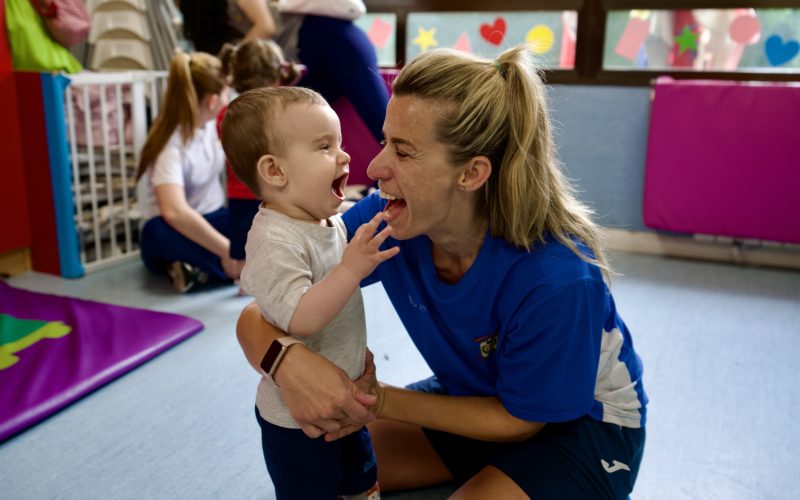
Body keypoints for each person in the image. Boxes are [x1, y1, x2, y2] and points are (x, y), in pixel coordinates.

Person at [236, 45, 648, 499]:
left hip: (580, 427)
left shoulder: (558, 277)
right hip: (473, 394)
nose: (373, 168)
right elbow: (263, 311)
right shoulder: (389, 220)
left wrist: (382, 399)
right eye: (383, 142)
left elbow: (522, 420)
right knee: (329, 463)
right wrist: (287, 363)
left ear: (471, 173)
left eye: (404, 151)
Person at [220, 86, 399, 499]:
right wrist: (352, 268)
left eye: (338, 143)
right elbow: (299, 317)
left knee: (362, 482)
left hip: (348, 401)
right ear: (275, 171)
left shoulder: (326, 221)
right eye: (324, 146)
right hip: (297, 424)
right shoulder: (274, 241)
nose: (345, 156)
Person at [179, 0, 389, 146]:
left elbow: (266, 26)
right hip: (316, 56)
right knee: (291, 121)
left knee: (383, 125)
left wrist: (232, 61)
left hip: (339, 43)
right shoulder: (209, 15)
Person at [136, 51, 243, 292]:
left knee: (254, 222)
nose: (229, 98)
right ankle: (233, 267)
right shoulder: (170, 144)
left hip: (214, 218)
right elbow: (174, 212)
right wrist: (228, 250)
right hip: (175, 227)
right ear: (212, 100)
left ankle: (201, 272)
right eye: (226, 93)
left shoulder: (210, 128)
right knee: (156, 234)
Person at [217, 39, 300, 268]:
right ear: (276, 76)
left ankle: (246, 289)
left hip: (239, 194)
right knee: (278, 247)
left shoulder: (227, 113)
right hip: (278, 191)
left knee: (245, 252)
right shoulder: (281, 110)